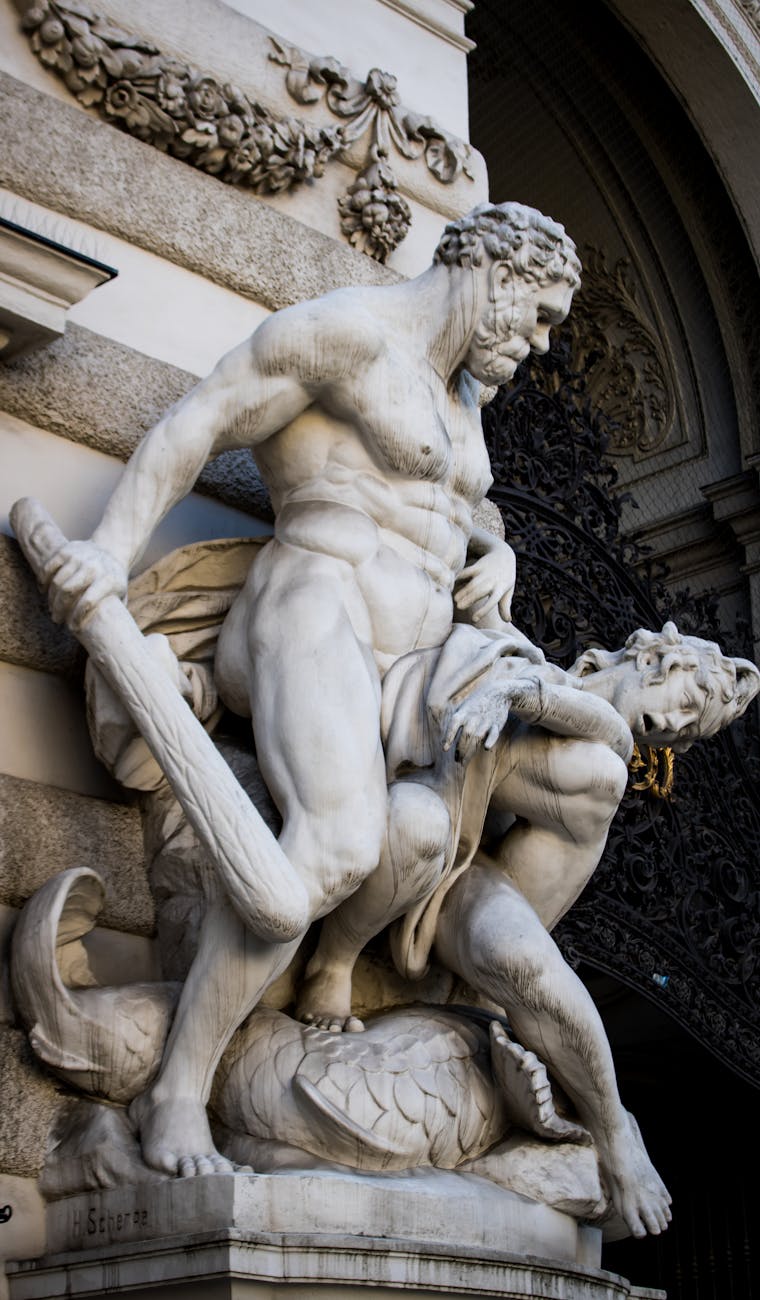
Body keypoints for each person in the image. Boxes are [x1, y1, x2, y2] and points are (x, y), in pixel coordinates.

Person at [38, 204, 580, 1180]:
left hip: (409, 666)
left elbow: (447, 508)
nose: (538, 343)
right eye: (537, 314)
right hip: (310, 606)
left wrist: (493, 553)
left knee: (423, 833)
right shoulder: (349, 334)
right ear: (493, 267)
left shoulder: (462, 399)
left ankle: (329, 973)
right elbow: (200, 416)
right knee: (336, 840)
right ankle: (176, 1092)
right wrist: (107, 557)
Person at [299, 621, 760, 1237]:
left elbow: (597, 735)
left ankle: (616, 1132)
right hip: (425, 824)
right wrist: (496, 556)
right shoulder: (517, 657)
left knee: (530, 964)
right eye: (685, 706)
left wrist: (519, 697)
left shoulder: (598, 766)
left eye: (688, 734)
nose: (674, 732)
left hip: (469, 890)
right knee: (417, 823)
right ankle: (334, 962)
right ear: (656, 662)